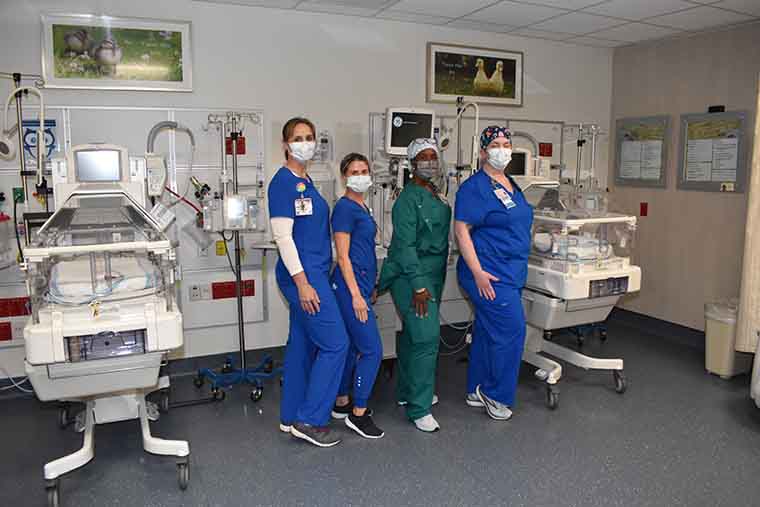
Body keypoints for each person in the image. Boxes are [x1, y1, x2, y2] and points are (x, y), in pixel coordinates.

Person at [268, 117, 349, 447]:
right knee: (336, 343)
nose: (306, 142)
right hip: (302, 277)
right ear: (286, 145)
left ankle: (291, 416)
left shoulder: (308, 181)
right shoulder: (283, 183)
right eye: (298, 138)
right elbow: (283, 238)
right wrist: (303, 284)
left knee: (302, 345)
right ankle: (311, 418)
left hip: (313, 272)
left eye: (310, 137)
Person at [454, 126, 534, 421]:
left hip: (509, 271)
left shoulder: (508, 182)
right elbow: (461, 230)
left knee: (489, 330)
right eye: (495, 145)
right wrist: (478, 273)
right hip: (488, 274)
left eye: (506, 144)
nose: (502, 149)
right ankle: (496, 394)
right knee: (512, 331)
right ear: (482, 152)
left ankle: (477, 389)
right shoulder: (474, 188)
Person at [377, 138, 451, 433]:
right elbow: (405, 247)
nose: (430, 162)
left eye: (434, 156)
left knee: (412, 335)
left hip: (433, 274)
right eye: (424, 157)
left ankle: (407, 392)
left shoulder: (435, 194)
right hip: (412, 276)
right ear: (412, 164)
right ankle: (419, 409)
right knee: (426, 338)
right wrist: (419, 285)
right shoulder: (407, 199)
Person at [329, 153, 384, 439]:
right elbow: (343, 257)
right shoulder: (345, 209)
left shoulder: (362, 207)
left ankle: (341, 402)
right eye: (354, 171)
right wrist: (356, 296)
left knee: (352, 346)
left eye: (364, 170)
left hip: (361, 286)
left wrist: (370, 287)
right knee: (372, 350)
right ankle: (358, 413)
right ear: (344, 177)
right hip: (349, 288)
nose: (361, 175)